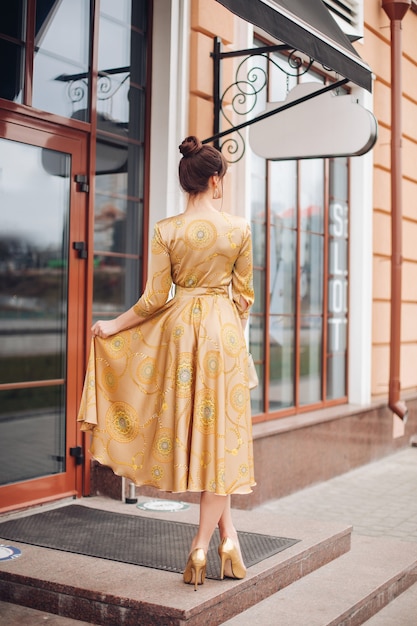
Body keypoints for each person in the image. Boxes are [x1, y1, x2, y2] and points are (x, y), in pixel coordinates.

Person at [78, 135, 255, 590]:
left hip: (178, 336)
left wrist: (114, 326)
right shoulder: (239, 228)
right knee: (222, 441)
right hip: (222, 335)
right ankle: (202, 543)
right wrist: (229, 324)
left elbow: (155, 299)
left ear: (187, 181)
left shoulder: (166, 229)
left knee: (206, 440)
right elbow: (244, 296)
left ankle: (228, 538)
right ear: (215, 179)